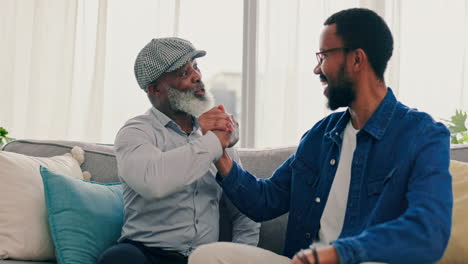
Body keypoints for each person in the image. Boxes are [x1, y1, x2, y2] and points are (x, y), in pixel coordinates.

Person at [188, 8, 452, 264]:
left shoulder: (423, 135)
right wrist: (219, 153)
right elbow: (264, 202)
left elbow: (428, 232)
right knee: (208, 256)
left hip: (361, 261)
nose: (317, 69)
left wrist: (339, 254)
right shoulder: (321, 135)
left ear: (357, 59)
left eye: (324, 55)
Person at [96, 37, 260, 264]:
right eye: (184, 73)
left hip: (204, 258)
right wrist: (214, 141)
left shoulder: (215, 135)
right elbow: (154, 181)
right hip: (147, 254)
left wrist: (240, 256)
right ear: (154, 89)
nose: (198, 76)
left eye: (196, 67)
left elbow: (245, 209)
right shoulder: (136, 132)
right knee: (118, 259)